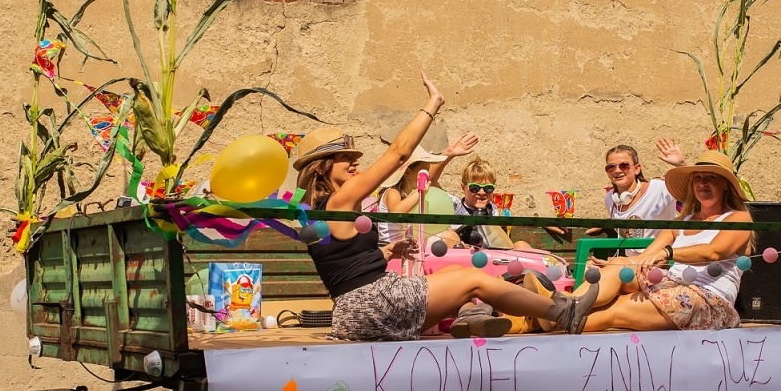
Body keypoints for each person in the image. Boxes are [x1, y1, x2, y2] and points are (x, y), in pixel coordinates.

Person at [292, 73, 597, 341]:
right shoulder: (341, 201)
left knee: (455, 270)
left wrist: (387, 252)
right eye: (345, 157)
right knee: (474, 279)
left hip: (355, 311)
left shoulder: (320, 211)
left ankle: (472, 316)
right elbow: (398, 154)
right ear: (321, 168)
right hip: (375, 303)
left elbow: (344, 265)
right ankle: (564, 311)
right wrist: (432, 104)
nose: (355, 161)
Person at [571, 150, 751, 332]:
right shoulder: (680, 222)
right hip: (672, 285)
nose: (702, 183)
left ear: (726, 185)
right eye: (697, 178)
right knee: (619, 265)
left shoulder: (739, 218)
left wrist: (668, 252)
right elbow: (646, 258)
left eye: (711, 177)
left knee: (613, 310)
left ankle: (554, 313)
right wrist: (612, 266)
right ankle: (559, 307)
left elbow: (714, 252)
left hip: (708, 300)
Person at [596, 139, 686, 239]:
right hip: (628, 255)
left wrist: (681, 165)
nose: (617, 171)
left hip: (661, 253)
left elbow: (691, 192)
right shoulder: (610, 198)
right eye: (611, 167)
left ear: (637, 168)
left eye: (624, 165)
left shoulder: (660, 189)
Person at [376, 145, 463, 244]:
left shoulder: (411, 195)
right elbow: (396, 213)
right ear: (408, 172)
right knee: (448, 237)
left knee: (451, 237)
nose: (427, 175)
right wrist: (420, 192)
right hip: (392, 248)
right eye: (424, 171)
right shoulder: (392, 192)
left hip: (411, 243)